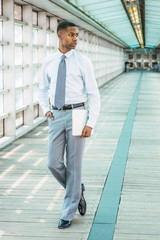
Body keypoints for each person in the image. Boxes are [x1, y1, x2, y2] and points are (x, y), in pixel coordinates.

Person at [38, 21, 100, 229]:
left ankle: (68, 211)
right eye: (71, 35)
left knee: (74, 164)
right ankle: (76, 190)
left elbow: (93, 93)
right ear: (60, 36)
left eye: (77, 36)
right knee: (53, 163)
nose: (75, 39)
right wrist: (45, 109)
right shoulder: (49, 61)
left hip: (78, 113)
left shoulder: (83, 61)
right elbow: (42, 89)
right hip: (55, 115)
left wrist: (90, 122)